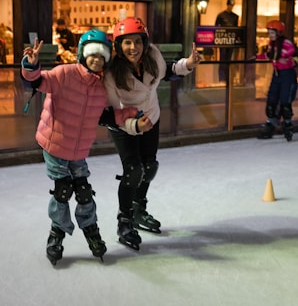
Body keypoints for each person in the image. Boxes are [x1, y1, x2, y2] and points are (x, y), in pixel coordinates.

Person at [21, 29, 138, 265]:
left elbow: (106, 115)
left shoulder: (102, 86)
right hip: (55, 144)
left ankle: (91, 231)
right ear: (83, 54)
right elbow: (35, 81)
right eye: (92, 54)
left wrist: (132, 113)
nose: (96, 59)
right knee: (63, 190)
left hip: (79, 150)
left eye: (101, 55)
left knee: (83, 192)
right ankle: (57, 235)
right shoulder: (65, 74)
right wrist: (30, 65)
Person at [104, 17, 201, 250]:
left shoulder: (152, 56)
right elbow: (109, 112)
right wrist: (133, 125)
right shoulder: (111, 73)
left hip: (151, 117)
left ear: (145, 43)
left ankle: (139, 210)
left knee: (149, 167)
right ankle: (124, 221)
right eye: (127, 43)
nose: (133, 48)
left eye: (137, 42)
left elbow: (166, 71)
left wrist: (187, 63)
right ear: (118, 45)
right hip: (124, 122)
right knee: (133, 171)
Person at [255, 20, 298, 141]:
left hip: (287, 75)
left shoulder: (287, 43)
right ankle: (270, 125)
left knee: (285, 102)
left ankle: (288, 124)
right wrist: (257, 56)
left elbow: (296, 57)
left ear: (279, 32)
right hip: (277, 74)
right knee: (271, 101)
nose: (270, 35)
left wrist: (289, 62)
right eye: (269, 32)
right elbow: (270, 55)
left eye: (272, 32)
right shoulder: (272, 44)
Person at [215, 0, 239, 84]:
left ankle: (229, 79)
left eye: (232, 5)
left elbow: (236, 30)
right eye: (229, 5)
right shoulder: (221, 15)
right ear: (227, 5)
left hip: (231, 41)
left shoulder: (235, 17)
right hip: (223, 41)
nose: (230, 7)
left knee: (229, 60)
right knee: (222, 60)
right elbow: (216, 28)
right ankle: (222, 79)